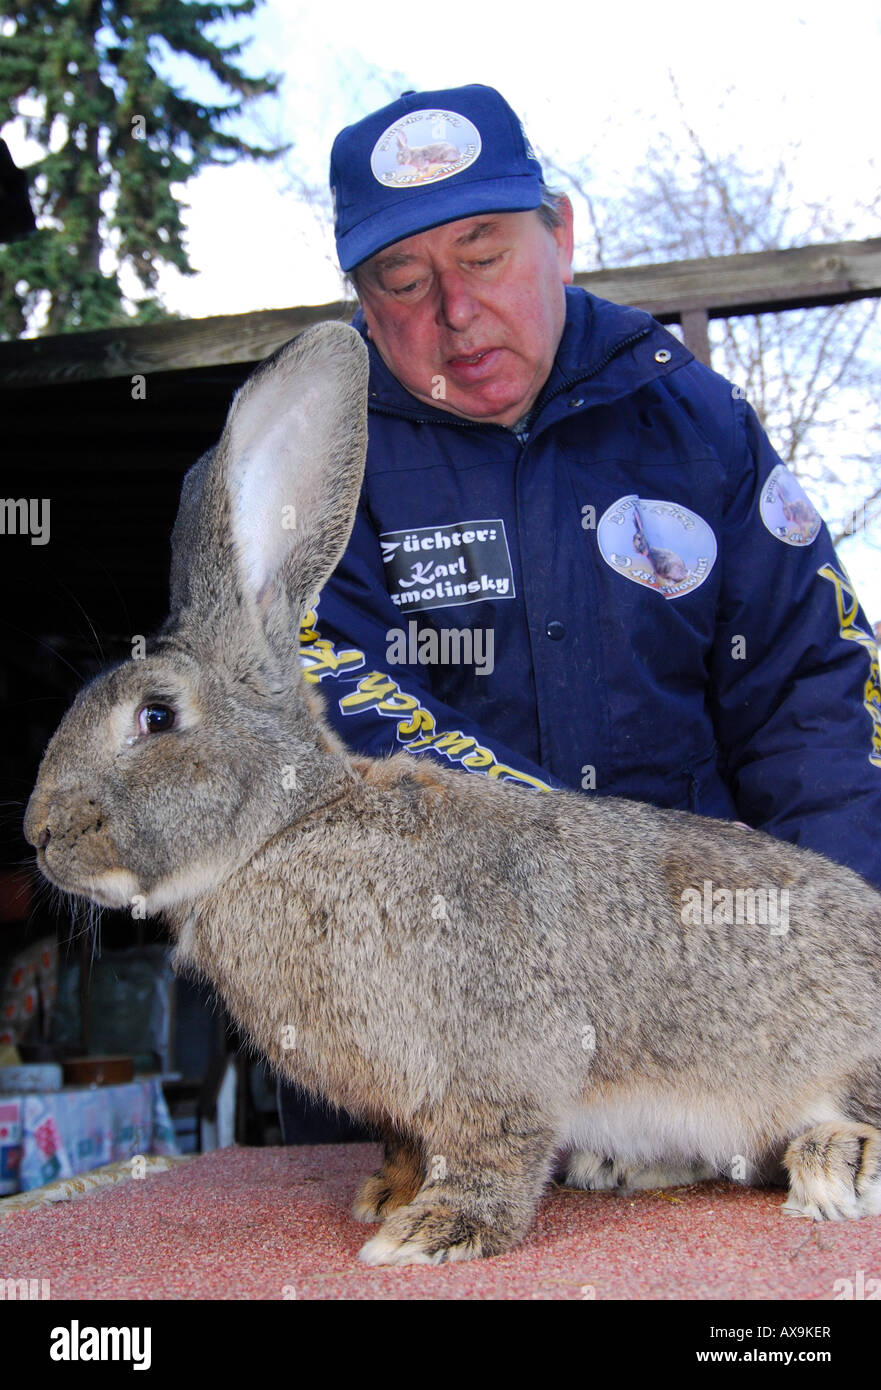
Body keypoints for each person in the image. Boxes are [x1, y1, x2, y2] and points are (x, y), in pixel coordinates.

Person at [277, 83, 881, 1145]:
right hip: (428, 1035)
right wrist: (582, 894)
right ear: (360, 304)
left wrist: (845, 965)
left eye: (484, 254)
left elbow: (812, 696)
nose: (454, 313)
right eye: (402, 280)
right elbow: (315, 717)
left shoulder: (697, 422)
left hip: (694, 1020)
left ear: (558, 234)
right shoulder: (318, 461)